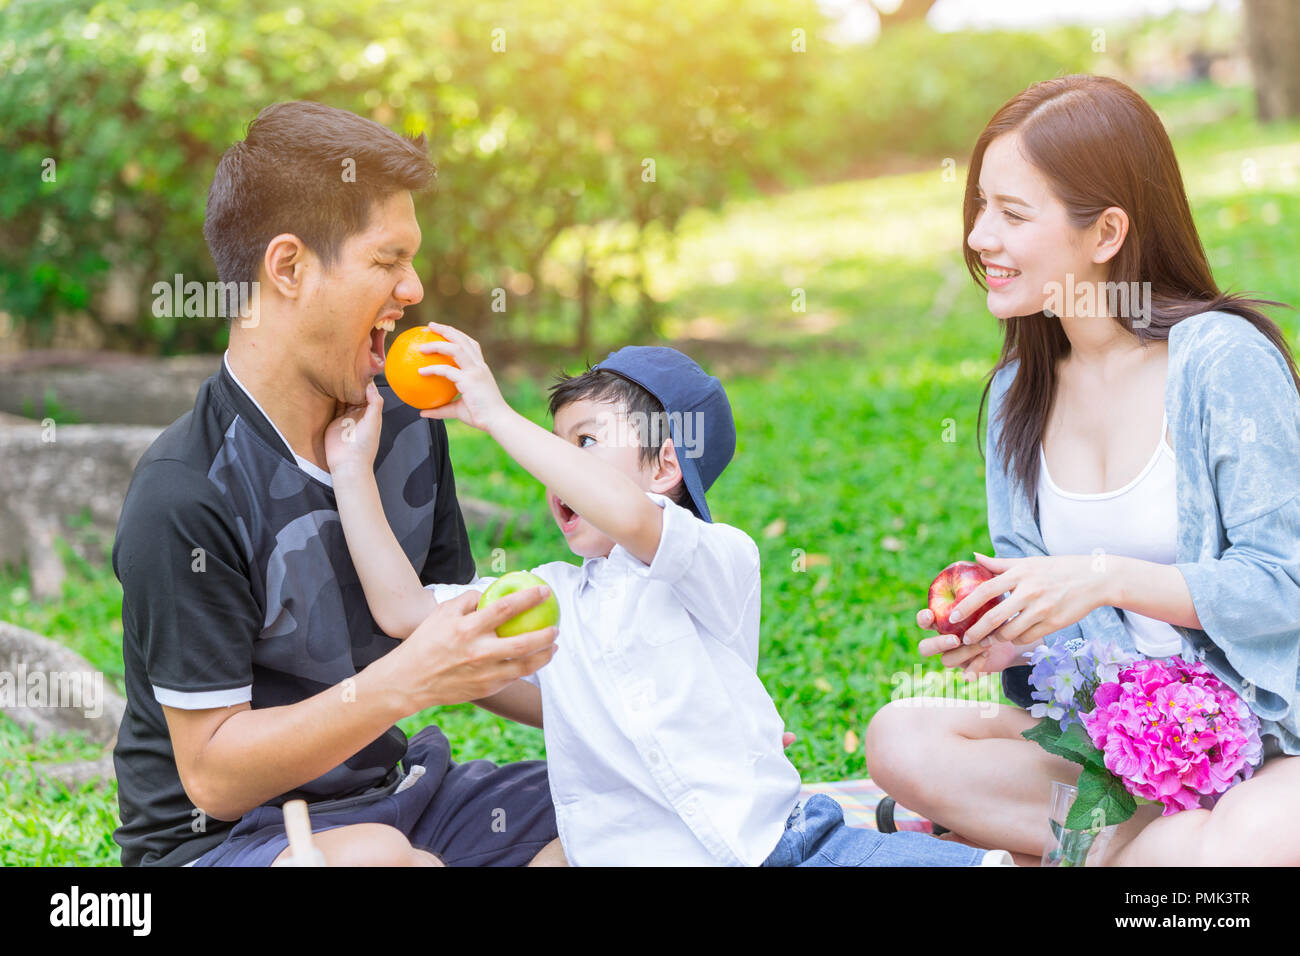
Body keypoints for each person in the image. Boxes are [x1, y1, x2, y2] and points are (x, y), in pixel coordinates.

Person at [324, 328, 1015, 866]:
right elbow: (404, 613)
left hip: (787, 849)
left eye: (584, 443)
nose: (556, 471)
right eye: (557, 448)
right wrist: (351, 470)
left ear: (663, 465)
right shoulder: (548, 596)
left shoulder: (714, 560)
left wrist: (497, 416)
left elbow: (630, 516)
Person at [111, 101, 564, 866]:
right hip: (230, 841)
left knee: (620, 809)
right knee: (378, 861)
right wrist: (408, 681)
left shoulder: (409, 427)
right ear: (287, 267)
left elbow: (450, 639)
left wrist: (650, 725)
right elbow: (215, 776)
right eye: (388, 260)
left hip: (402, 798)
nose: (414, 288)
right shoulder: (185, 494)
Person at [864, 74, 1300, 866]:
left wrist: (1106, 575)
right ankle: (1140, 850)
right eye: (980, 208)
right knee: (903, 736)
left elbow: (1286, 586)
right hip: (1127, 750)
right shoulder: (1013, 400)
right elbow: (1073, 630)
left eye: (1012, 214)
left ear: (1105, 234)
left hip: (1276, 737)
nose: (980, 238)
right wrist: (1015, 641)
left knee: (1234, 850)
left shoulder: (1220, 363)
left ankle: (1091, 849)